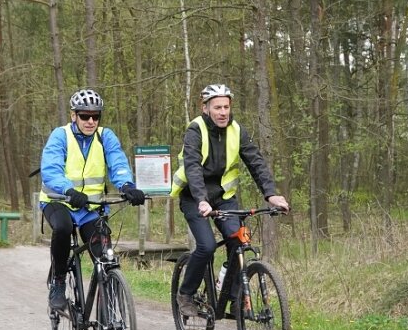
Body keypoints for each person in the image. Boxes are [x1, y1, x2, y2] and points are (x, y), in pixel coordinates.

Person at [171, 84, 290, 317]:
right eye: (217, 107)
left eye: (226, 106)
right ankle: (185, 294)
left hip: (224, 198)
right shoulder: (195, 130)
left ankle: (234, 300)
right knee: (205, 246)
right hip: (194, 198)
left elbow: (256, 162)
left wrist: (271, 194)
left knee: (238, 242)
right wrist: (202, 200)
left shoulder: (237, 130)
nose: (223, 112)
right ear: (205, 108)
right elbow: (193, 167)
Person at [39, 88, 145, 317]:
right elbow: (51, 169)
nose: (90, 121)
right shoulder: (60, 135)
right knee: (63, 228)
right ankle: (58, 282)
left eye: (95, 116)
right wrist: (68, 189)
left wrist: (127, 186)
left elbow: (117, 163)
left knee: (104, 255)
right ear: (73, 115)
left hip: (90, 207)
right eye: (84, 115)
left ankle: (111, 319)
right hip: (58, 200)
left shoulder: (106, 136)